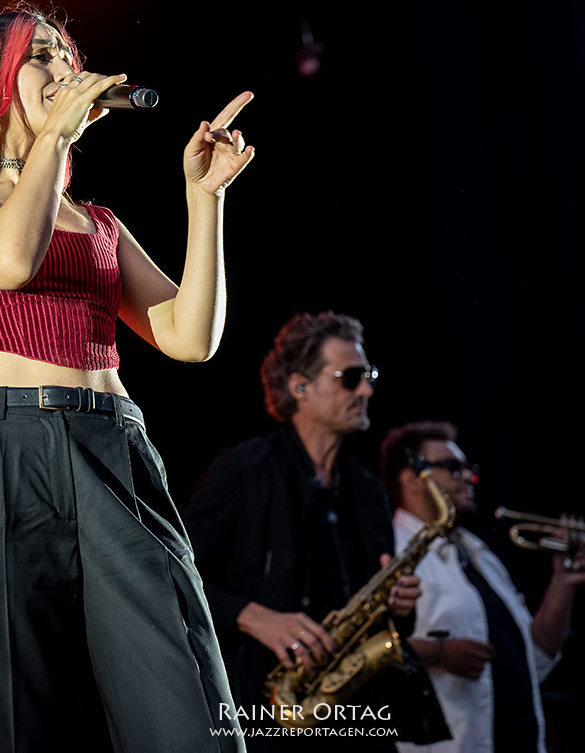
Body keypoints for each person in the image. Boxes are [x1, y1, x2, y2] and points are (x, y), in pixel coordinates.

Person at [0, 2, 254, 752]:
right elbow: (8, 260)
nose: (64, 69)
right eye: (40, 56)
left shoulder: (100, 223)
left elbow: (189, 338)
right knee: (10, 726)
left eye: (66, 54)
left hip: (113, 453)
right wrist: (52, 142)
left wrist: (203, 200)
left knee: (191, 719)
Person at [183, 312, 446, 750]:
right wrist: (252, 615)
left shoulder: (366, 489)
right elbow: (174, 575)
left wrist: (400, 605)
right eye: (352, 377)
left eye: (370, 375)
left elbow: (383, 608)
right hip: (264, 713)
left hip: (359, 714)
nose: (367, 389)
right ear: (299, 386)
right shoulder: (243, 471)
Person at [379, 422, 585, 753]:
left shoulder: (478, 554)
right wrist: (440, 653)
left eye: (469, 468)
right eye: (453, 468)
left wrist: (563, 582)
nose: (467, 477)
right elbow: (365, 654)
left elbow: (536, 660)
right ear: (412, 479)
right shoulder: (390, 549)